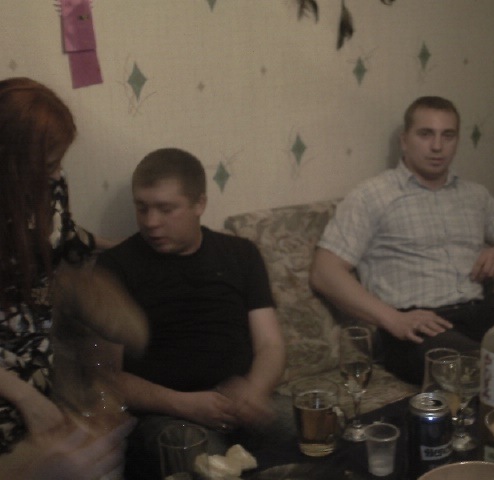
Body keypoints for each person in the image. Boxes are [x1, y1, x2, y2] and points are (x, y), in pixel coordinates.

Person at [310, 95, 494, 385]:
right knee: (480, 367)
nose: (437, 146)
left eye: (448, 135)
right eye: (425, 134)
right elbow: (324, 272)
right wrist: (393, 319)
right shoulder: (372, 196)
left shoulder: (474, 195)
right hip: (416, 327)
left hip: (478, 315)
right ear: (405, 140)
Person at [96, 148, 289, 479]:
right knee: (205, 461)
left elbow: (270, 344)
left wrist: (254, 392)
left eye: (166, 209)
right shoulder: (116, 267)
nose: (151, 222)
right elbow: (107, 375)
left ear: (199, 204)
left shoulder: (241, 254)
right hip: (169, 415)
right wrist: (184, 404)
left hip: (242, 404)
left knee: (318, 429)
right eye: (142, 208)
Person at [0, 77, 134, 479]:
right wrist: (24, 397)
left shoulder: (51, 185)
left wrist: (126, 245)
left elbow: (66, 237)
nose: (57, 174)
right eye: (47, 165)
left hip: (43, 346)